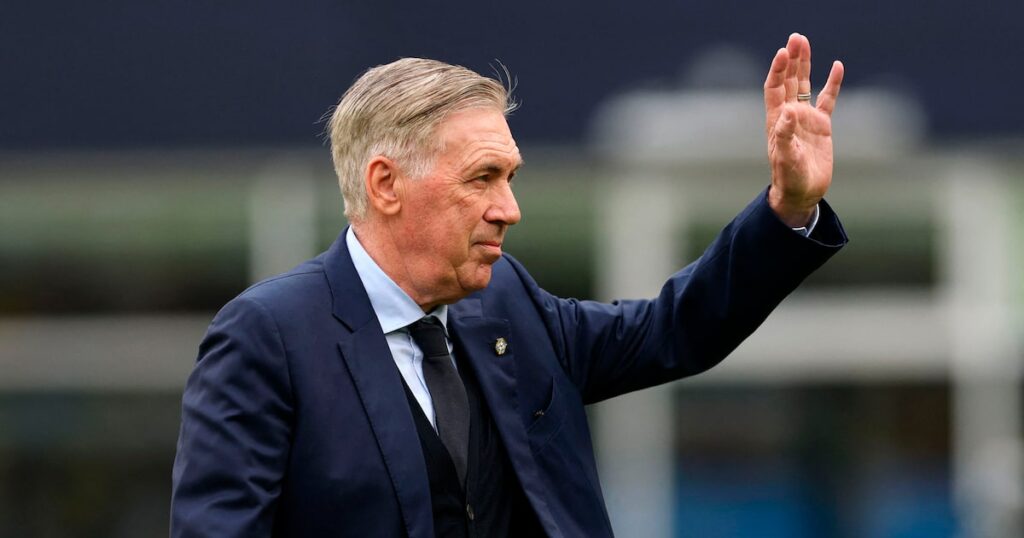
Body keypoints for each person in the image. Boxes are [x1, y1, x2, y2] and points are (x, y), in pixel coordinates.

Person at [171, 32, 847, 537]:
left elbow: (676, 329)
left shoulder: (507, 303)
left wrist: (787, 209)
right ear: (385, 184)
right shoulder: (269, 338)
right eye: (482, 178)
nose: (509, 209)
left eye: (510, 177)